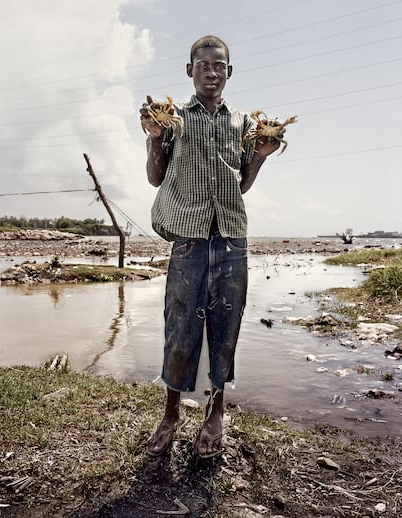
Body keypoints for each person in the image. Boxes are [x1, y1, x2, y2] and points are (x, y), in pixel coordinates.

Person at [140, 35, 280, 458]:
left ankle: (215, 413)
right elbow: (154, 176)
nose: (211, 72)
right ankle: (171, 413)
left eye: (219, 65)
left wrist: (262, 155)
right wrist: (153, 137)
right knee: (179, 327)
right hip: (189, 238)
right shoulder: (174, 118)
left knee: (225, 327)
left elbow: (242, 183)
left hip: (231, 236)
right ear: (190, 71)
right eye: (203, 65)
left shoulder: (243, 124)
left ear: (229, 72)